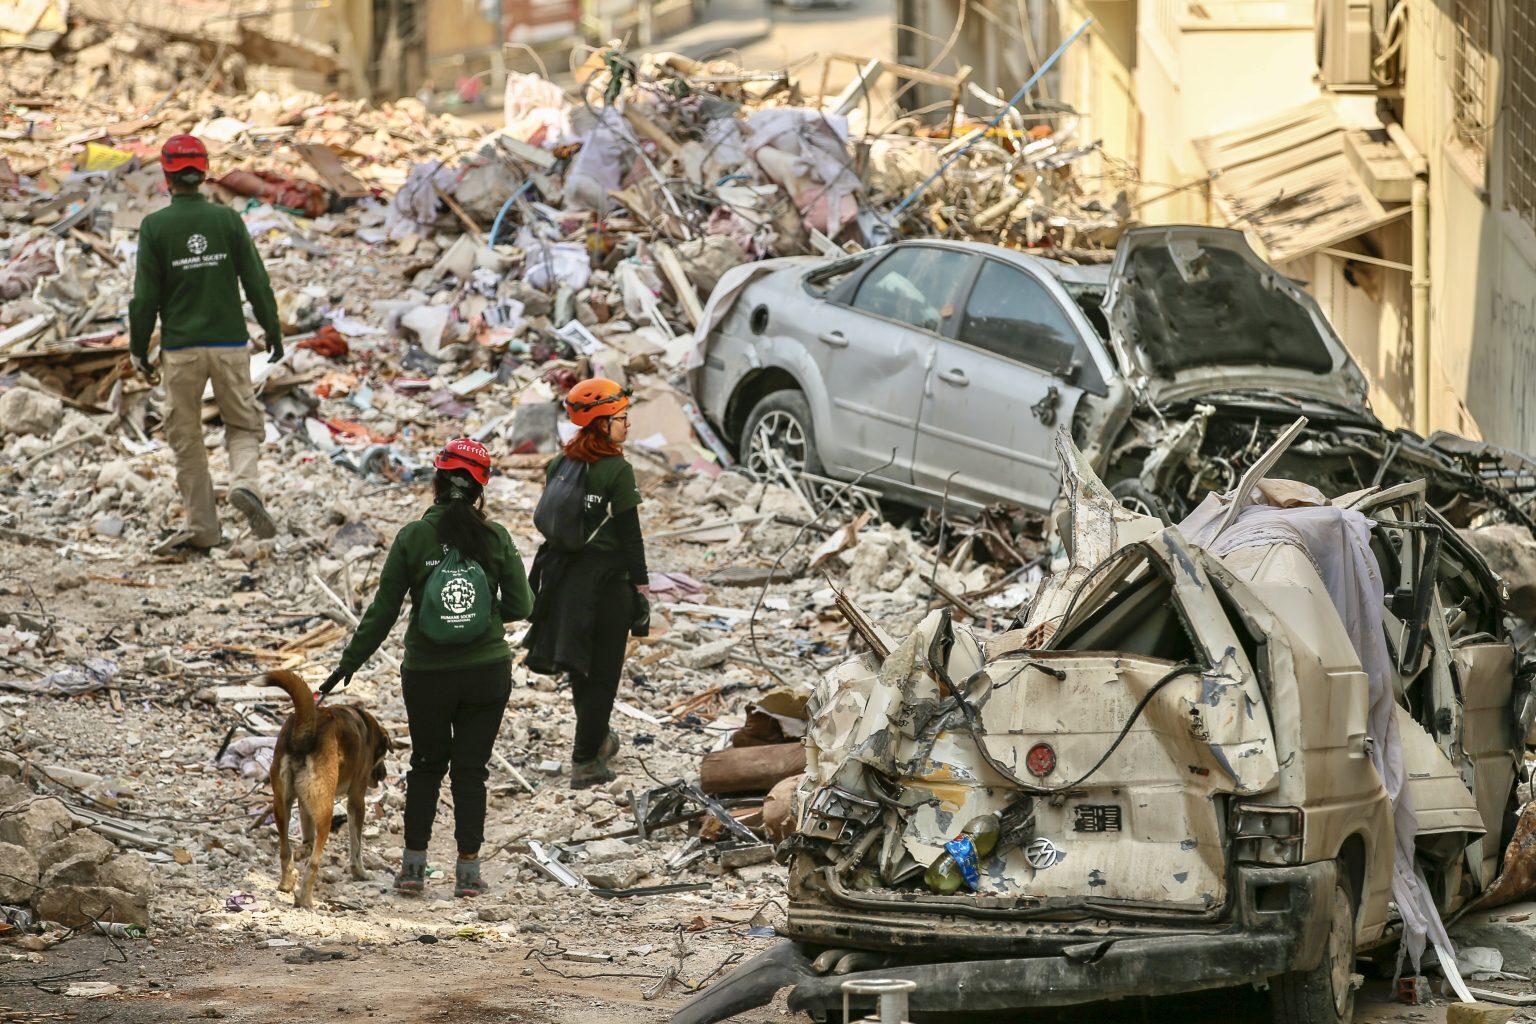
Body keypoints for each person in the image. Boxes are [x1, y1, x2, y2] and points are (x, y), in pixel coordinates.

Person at [323, 438, 533, 897]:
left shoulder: (412, 537)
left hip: (427, 674)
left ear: (435, 483)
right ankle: (468, 873)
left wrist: (348, 663)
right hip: (486, 672)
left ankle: (413, 869)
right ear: (480, 490)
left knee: (426, 765)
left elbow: (382, 612)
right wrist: (483, 616)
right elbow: (522, 605)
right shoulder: (496, 537)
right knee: (471, 770)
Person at [128, 134, 283, 553]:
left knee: (186, 436)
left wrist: (138, 349)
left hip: (181, 351)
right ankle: (245, 483)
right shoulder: (227, 221)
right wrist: (272, 330)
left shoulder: (155, 227)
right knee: (243, 424)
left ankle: (204, 528)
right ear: (204, 172)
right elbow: (257, 282)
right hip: (230, 344)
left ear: (166, 176)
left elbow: (144, 299)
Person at [524, 379, 650, 790]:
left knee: (580, 667)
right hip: (606, 584)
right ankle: (585, 762)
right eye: (621, 418)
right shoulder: (618, 470)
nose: (627, 424)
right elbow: (631, 537)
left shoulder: (560, 464)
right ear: (600, 423)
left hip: (563, 581)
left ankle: (597, 742)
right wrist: (642, 589)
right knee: (604, 675)